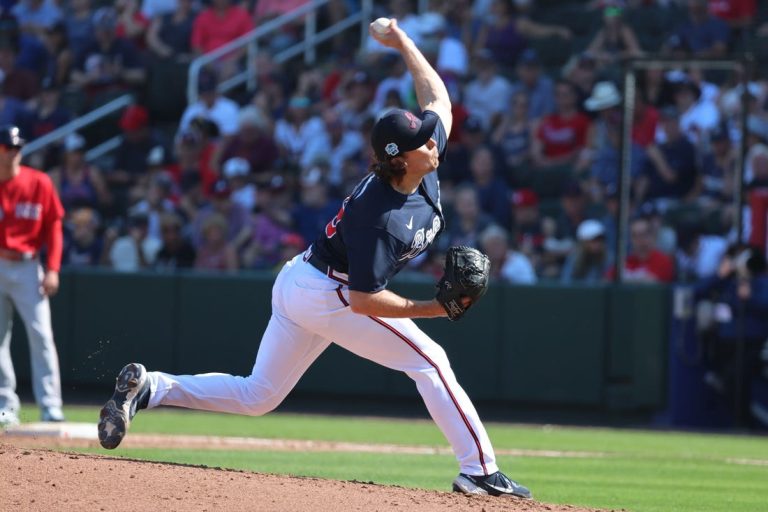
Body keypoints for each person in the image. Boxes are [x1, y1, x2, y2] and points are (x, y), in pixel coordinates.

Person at [98, 18, 532, 500]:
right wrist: (435, 309)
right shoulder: (380, 217)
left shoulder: (418, 163)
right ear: (398, 159)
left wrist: (402, 41)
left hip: (303, 280)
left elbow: (438, 100)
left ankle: (152, 388)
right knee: (431, 361)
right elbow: (364, 301)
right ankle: (479, 470)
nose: (434, 143)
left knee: (258, 395)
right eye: (422, 142)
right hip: (331, 292)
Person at [0, 125, 65, 426]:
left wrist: (52, 268)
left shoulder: (38, 182)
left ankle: (51, 406)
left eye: (17, 147)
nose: (13, 152)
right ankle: (5, 406)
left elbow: (54, 226)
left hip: (28, 266)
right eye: (7, 147)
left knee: (42, 336)